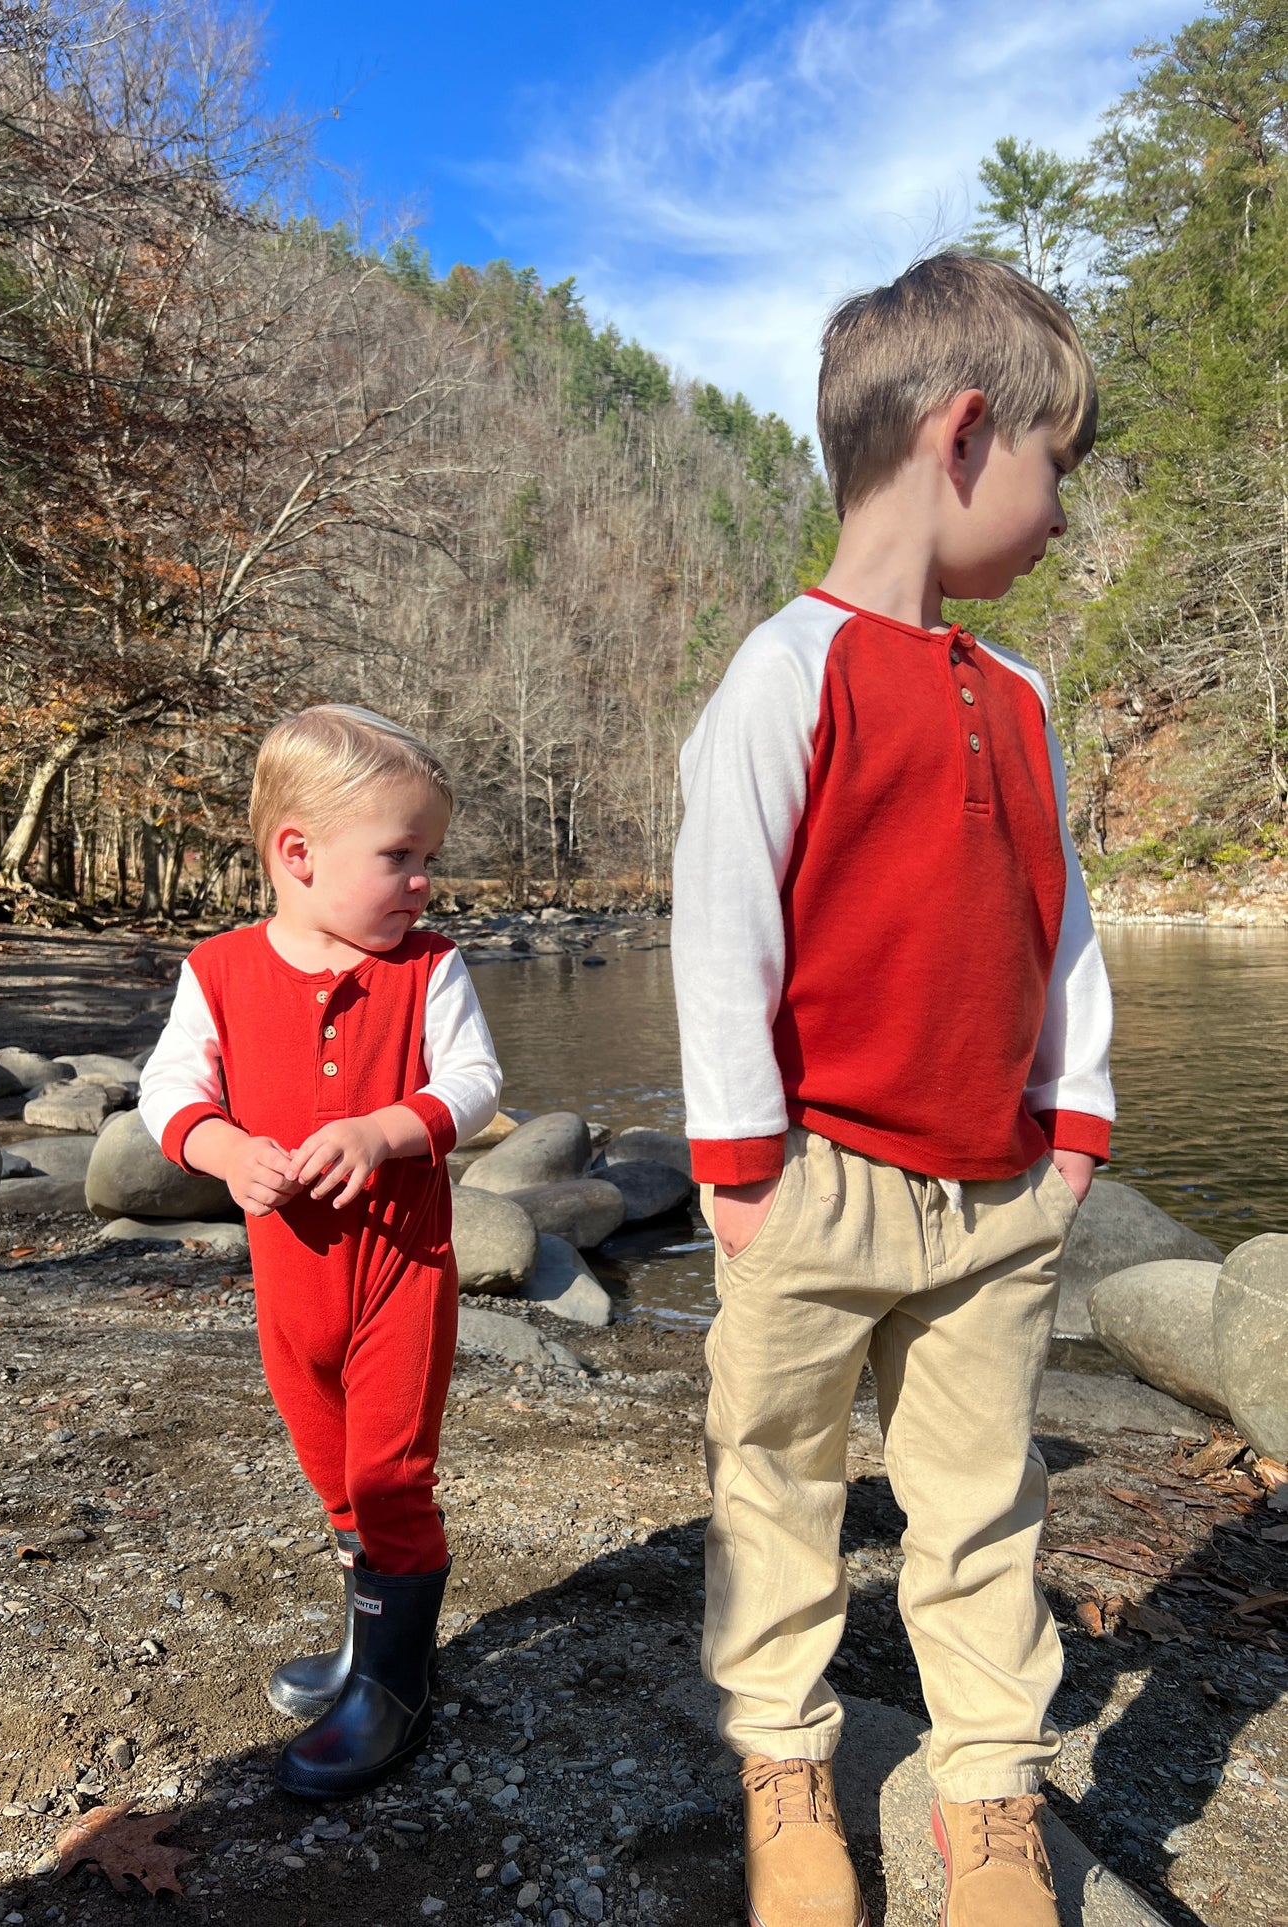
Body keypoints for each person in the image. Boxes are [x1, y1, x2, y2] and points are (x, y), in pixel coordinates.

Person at [670, 253, 1114, 1927]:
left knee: (982, 1498)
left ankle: (986, 1793)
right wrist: (742, 1167)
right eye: (1056, 467)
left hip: (997, 1191)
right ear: (965, 431)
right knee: (776, 1474)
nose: (1062, 512)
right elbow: (721, 923)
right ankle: (788, 1761)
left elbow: (1064, 921)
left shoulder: (1022, 696)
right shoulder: (786, 671)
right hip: (818, 1177)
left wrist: (1075, 1131)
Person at [139, 704, 501, 1799]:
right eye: (399, 856)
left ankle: (394, 1689)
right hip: (289, 1279)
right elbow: (169, 1088)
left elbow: (476, 1083)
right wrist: (221, 1147)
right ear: (295, 853)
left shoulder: (427, 968)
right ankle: (364, 1639)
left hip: (401, 1267)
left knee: (389, 1468)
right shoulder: (219, 970)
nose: (422, 882)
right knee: (328, 1464)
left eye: (426, 858)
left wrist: (391, 1129)